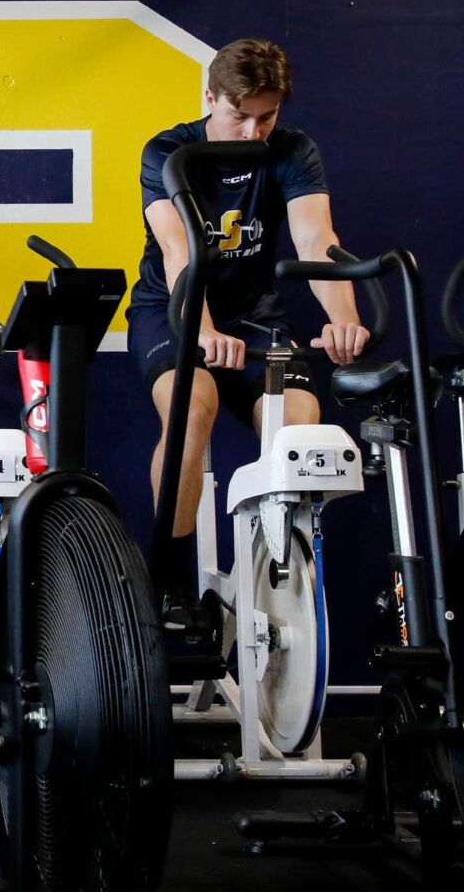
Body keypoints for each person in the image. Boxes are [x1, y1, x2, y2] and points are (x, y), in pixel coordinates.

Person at [126, 37, 370, 629]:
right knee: (193, 409)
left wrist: (343, 317)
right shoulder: (168, 151)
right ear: (210, 97)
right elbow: (180, 251)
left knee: (299, 430)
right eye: (240, 116)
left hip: (254, 315)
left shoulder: (291, 150)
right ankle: (170, 580)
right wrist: (204, 330)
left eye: (267, 117)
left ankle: (266, 572)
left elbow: (316, 240)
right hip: (174, 307)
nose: (253, 132)